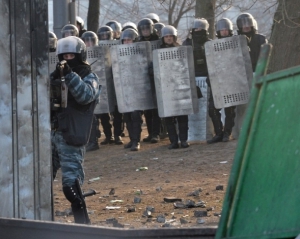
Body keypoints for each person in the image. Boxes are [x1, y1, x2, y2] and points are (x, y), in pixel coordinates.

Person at [50, 36, 101, 224]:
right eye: (63, 56)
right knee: (39, 181)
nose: (66, 59)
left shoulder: (90, 76)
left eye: (71, 55)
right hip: (52, 135)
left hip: (71, 136)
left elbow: (85, 96)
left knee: (70, 187)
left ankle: (83, 226)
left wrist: (70, 75)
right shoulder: (55, 76)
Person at [159, 25, 190, 149]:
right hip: (166, 88)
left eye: (170, 36)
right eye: (166, 36)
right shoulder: (158, 51)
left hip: (179, 86)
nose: (168, 38)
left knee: (183, 116)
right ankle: (173, 141)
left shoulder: (181, 50)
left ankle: (183, 140)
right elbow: (153, 68)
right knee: (169, 117)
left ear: (174, 37)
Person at [206, 18, 236, 144]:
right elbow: (210, 62)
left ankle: (227, 133)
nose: (224, 31)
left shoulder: (235, 44)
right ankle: (219, 133)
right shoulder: (213, 45)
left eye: (226, 29)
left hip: (231, 80)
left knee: (229, 109)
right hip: (217, 81)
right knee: (212, 108)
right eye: (221, 29)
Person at [97, 25, 124, 145]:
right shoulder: (97, 47)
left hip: (116, 80)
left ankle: (118, 134)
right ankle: (108, 135)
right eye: (101, 35)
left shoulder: (117, 45)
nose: (104, 37)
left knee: (118, 110)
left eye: (105, 34)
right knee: (104, 111)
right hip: (102, 80)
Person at [137, 18, 161, 143]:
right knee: (147, 108)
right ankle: (150, 133)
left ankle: (156, 133)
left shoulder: (157, 41)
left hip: (156, 77)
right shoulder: (138, 42)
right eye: (143, 29)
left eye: (147, 28)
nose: (145, 31)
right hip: (143, 78)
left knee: (156, 107)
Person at [120, 28, 143, 151]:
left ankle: (136, 141)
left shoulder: (139, 53)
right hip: (125, 89)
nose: (127, 42)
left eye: (129, 40)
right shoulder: (119, 54)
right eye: (125, 40)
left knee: (135, 116)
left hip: (137, 89)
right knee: (127, 116)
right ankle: (132, 139)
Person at [81, 31, 102, 151]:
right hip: (85, 87)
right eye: (86, 41)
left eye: (91, 41)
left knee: (92, 116)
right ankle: (91, 140)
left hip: (94, 86)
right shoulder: (81, 55)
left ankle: (93, 142)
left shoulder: (99, 52)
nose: (89, 43)